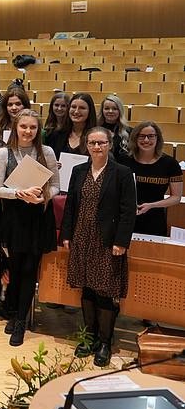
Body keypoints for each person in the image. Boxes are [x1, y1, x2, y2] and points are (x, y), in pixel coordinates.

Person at [62, 126, 137, 366]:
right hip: (81, 236)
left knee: (105, 291)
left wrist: (121, 241)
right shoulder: (78, 170)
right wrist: (66, 234)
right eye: (92, 143)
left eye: (101, 143)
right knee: (86, 288)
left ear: (109, 144)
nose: (97, 147)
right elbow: (70, 205)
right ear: (86, 145)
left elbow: (128, 212)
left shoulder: (122, 173)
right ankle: (89, 337)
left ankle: (105, 342)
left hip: (107, 241)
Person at [0, 109, 60, 346]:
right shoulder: (4, 152)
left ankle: (21, 321)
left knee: (30, 270)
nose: (28, 131)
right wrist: (19, 193)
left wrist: (42, 197)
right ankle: (13, 313)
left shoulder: (47, 151)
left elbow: (56, 186)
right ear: (16, 127)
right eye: (24, 127)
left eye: (32, 127)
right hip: (13, 218)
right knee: (15, 269)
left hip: (38, 218)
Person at [120, 121, 184, 236]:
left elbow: (176, 197)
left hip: (155, 219)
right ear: (135, 138)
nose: (146, 140)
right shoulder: (124, 160)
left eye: (151, 136)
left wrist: (151, 205)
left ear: (157, 138)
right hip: (124, 217)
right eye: (141, 136)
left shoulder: (170, 163)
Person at [46, 92, 96, 158]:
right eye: (73, 107)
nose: (76, 111)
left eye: (82, 108)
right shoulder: (56, 135)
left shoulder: (97, 137)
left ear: (90, 111)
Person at [98, 94, 132, 160]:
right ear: (102, 110)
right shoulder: (94, 130)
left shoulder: (129, 132)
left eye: (115, 109)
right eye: (107, 108)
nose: (110, 111)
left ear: (120, 111)